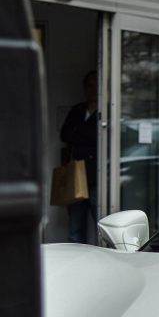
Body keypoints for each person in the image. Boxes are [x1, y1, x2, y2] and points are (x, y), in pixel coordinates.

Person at [60, 70, 99, 243]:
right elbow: (65, 134)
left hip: (99, 180)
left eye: (96, 85)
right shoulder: (77, 110)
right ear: (84, 88)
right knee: (75, 229)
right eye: (89, 85)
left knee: (103, 228)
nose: (93, 89)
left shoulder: (107, 111)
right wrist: (88, 135)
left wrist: (80, 133)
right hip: (77, 178)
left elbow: (99, 138)